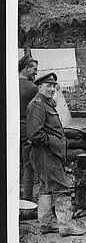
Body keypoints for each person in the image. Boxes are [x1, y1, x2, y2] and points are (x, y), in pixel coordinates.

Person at [27, 73, 86, 236]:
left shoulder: (46, 103)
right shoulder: (38, 104)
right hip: (46, 153)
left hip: (48, 153)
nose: (52, 89)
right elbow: (34, 134)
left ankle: (45, 224)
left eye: (54, 86)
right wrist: (53, 142)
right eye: (48, 85)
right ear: (40, 87)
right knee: (62, 188)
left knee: (46, 188)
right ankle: (66, 225)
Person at [19, 55, 38, 201]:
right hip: (26, 128)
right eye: (33, 69)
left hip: (11, 129)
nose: (35, 73)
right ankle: (26, 199)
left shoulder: (9, 83)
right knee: (28, 164)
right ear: (26, 68)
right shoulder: (32, 88)